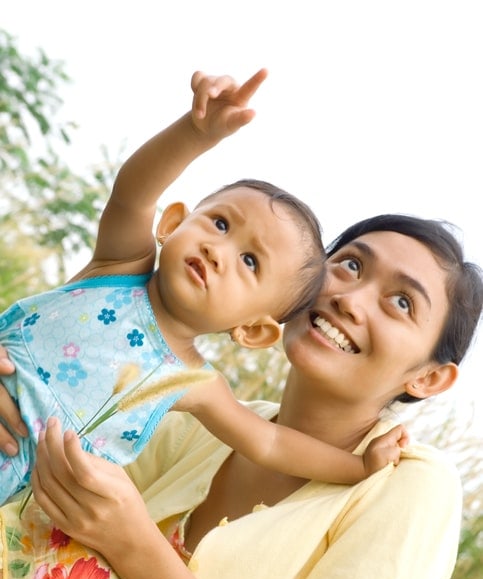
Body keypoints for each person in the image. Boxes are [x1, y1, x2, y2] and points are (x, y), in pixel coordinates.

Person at [0, 212, 480, 579]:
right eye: (350, 265)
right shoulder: (200, 419)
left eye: (401, 303)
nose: (351, 299)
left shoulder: (410, 484)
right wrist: (16, 386)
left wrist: (132, 543)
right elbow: (36, 499)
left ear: (430, 378)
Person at [0, 67, 407, 509]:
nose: (219, 250)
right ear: (173, 224)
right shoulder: (121, 265)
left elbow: (270, 443)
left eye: (249, 262)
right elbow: (132, 195)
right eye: (220, 223)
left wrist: (360, 467)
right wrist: (195, 133)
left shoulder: (194, 382)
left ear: (253, 330)